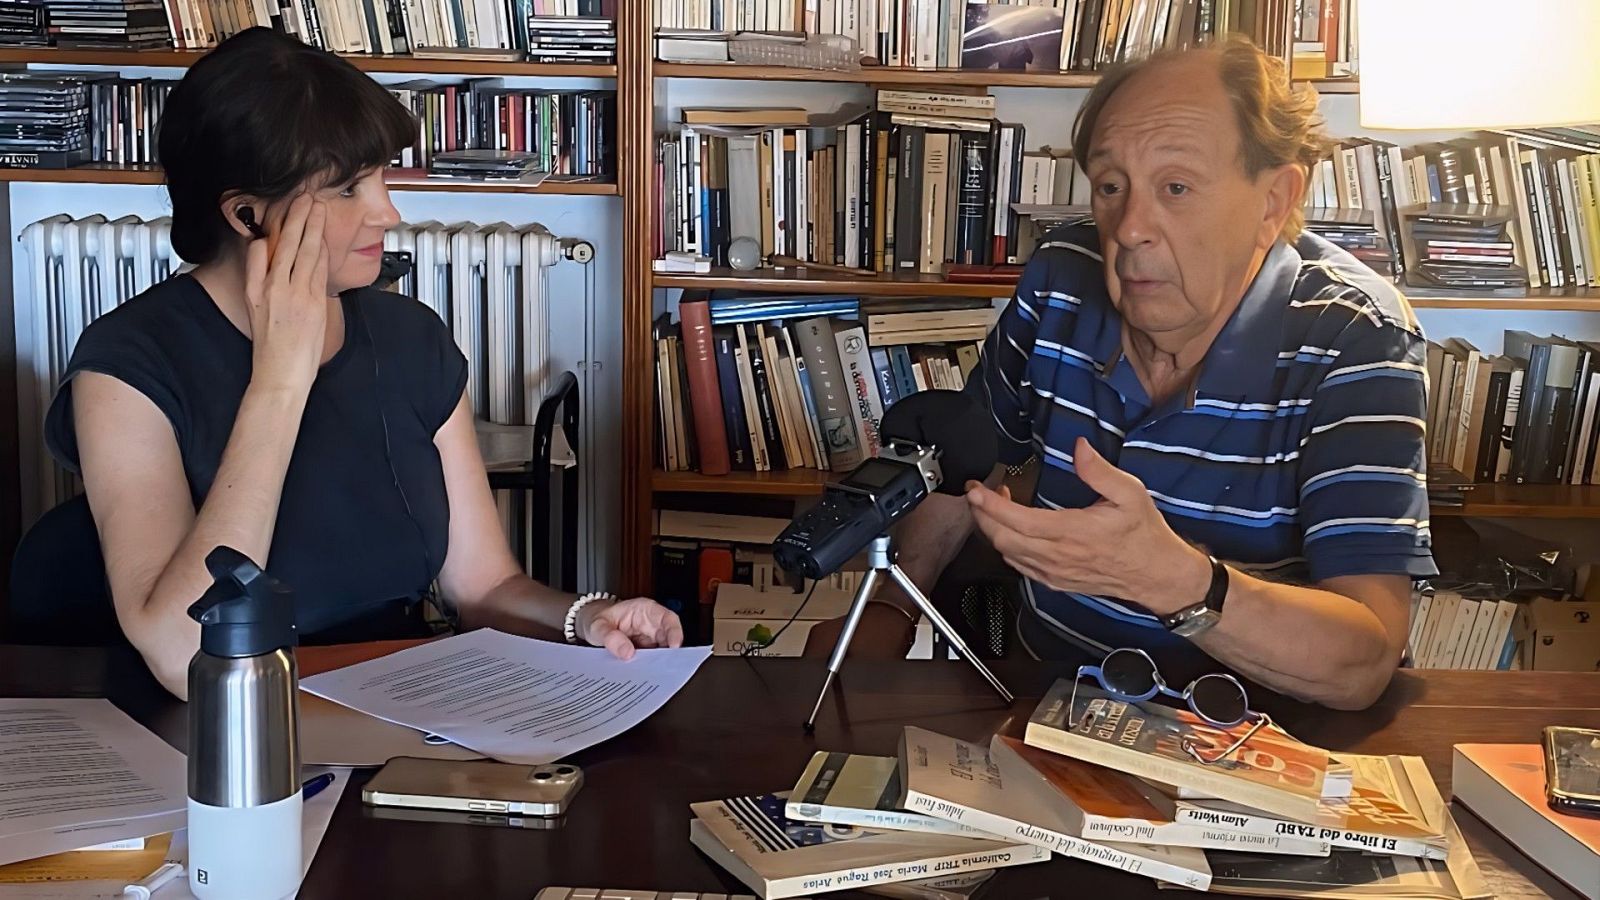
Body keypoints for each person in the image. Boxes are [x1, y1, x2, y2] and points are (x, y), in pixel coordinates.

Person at [44, 28, 681, 700]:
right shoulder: (126, 366)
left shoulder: (412, 339)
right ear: (247, 214)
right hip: (230, 732)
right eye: (349, 188)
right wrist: (280, 382)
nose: (388, 211)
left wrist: (585, 618)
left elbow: (484, 586)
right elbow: (180, 654)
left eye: (380, 178)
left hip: (406, 709)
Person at [806, 37, 1433, 711]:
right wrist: (896, 605)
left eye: (1177, 187)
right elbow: (968, 464)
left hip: (1251, 730)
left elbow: (1362, 661)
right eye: (1111, 187)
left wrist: (1170, 579)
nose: (1129, 228)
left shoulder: (1359, 336)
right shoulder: (1062, 275)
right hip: (1048, 698)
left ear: (1273, 201)